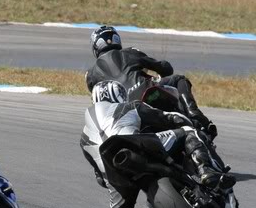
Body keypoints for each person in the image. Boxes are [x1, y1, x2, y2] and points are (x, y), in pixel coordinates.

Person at [80, 81, 234, 208]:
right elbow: (167, 117)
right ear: (120, 95)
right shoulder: (130, 106)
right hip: (135, 144)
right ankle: (206, 171)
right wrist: (189, 122)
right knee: (188, 132)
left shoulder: (84, 138)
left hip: (112, 170)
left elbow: (100, 179)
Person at [85, 25, 217, 138]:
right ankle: (194, 113)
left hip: (121, 113)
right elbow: (165, 69)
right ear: (116, 40)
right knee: (179, 79)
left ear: (95, 47)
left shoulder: (90, 75)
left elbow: (99, 101)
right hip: (145, 93)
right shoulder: (130, 52)